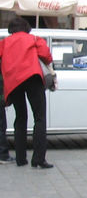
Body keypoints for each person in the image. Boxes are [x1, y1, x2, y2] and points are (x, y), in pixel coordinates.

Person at [0, 16, 54, 168]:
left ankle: (20, 158)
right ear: (26, 27)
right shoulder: (34, 39)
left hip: (14, 81)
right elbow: (46, 56)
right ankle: (38, 159)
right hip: (32, 77)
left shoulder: (4, 43)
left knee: (20, 117)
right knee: (39, 118)